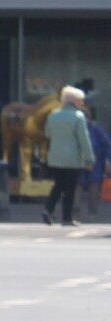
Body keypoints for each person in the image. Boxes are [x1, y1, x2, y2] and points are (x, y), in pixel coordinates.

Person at [41, 85, 94, 226]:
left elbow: (47, 134)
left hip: (55, 157)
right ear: (75, 101)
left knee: (58, 185)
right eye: (81, 100)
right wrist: (89, 158)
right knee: (70, 188)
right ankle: (66, 217)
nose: (82, 103)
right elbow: (84, 139)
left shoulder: (53, 114)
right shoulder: (78, 116)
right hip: (72, 158)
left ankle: (48, 209)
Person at [77, 107, 110, 218]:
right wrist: (107, 160)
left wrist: (107, 160)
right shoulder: (96, 128)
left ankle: (80, 213)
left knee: (82, 186)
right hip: (94, 160)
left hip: (82, 160)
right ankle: (91, 213)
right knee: (91, 186)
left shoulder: (77, 128)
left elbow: (106, 145)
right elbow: (105, 144)